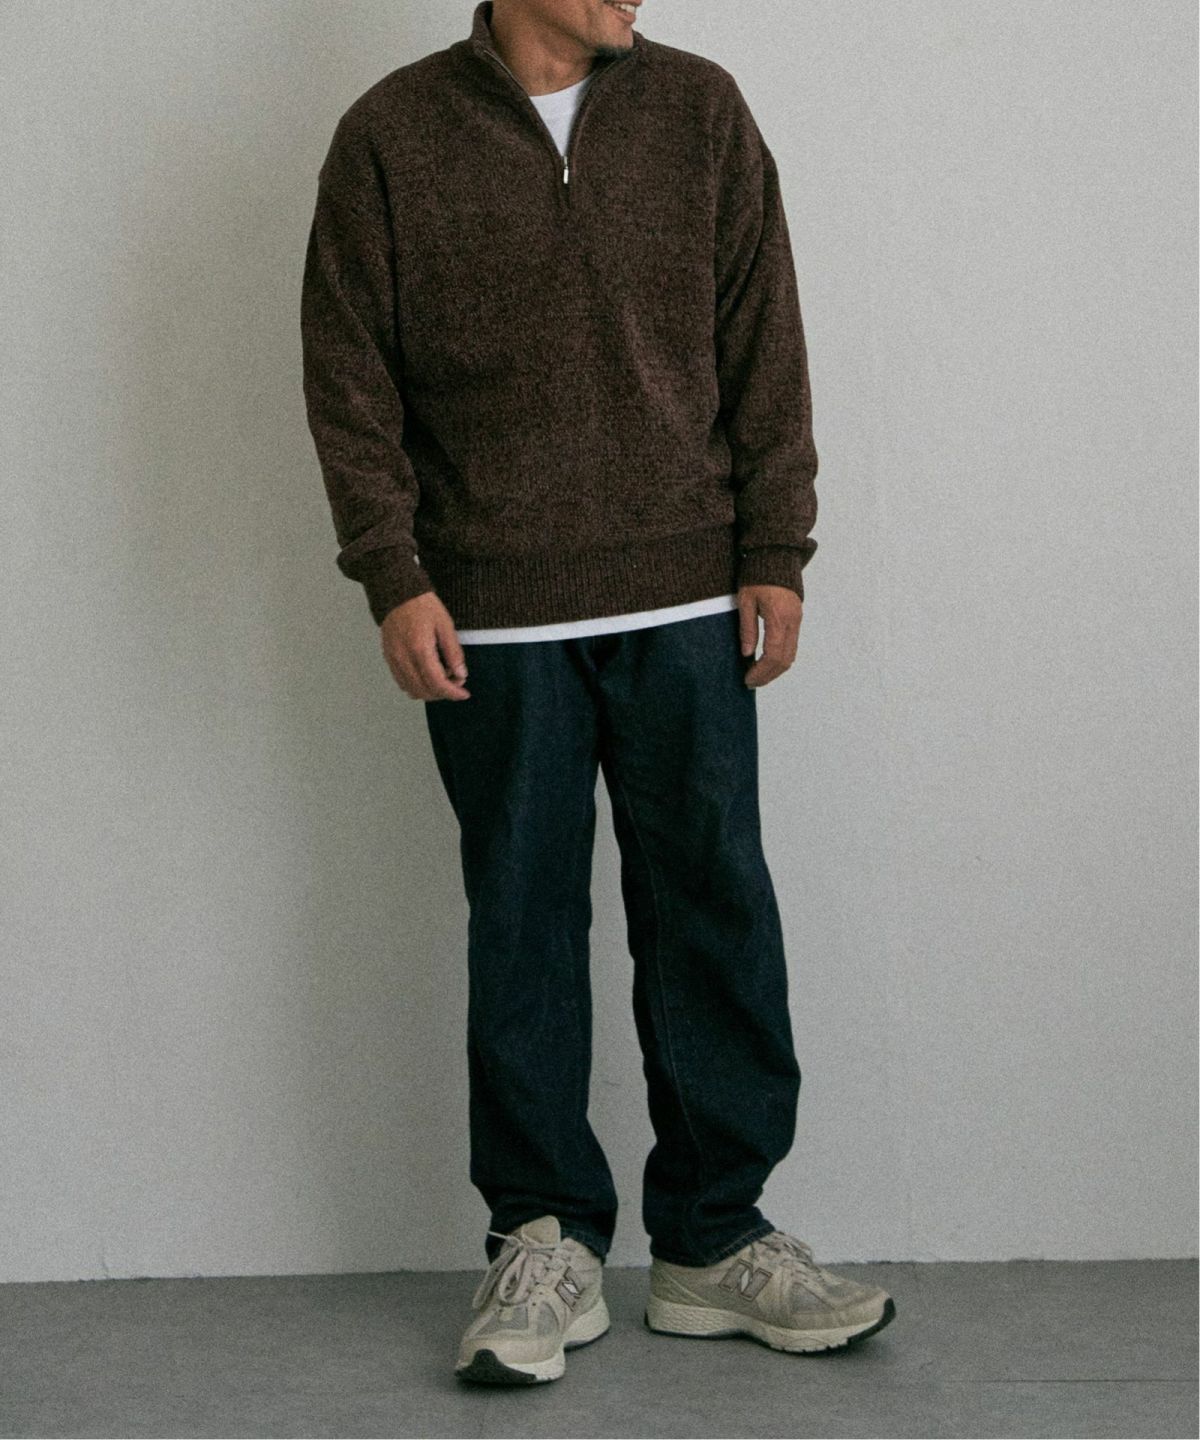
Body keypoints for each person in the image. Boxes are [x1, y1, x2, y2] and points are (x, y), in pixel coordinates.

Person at [300, 0, 895, 1387]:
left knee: (714, 904)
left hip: (690, 598)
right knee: (521, 917)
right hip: (492, 611)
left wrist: (777, 546)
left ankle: (714, 1238)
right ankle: (543, 1237)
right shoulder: (392, 136)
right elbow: (348, 371)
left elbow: (765, 337)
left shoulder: (701, 112)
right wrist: (393, 573)